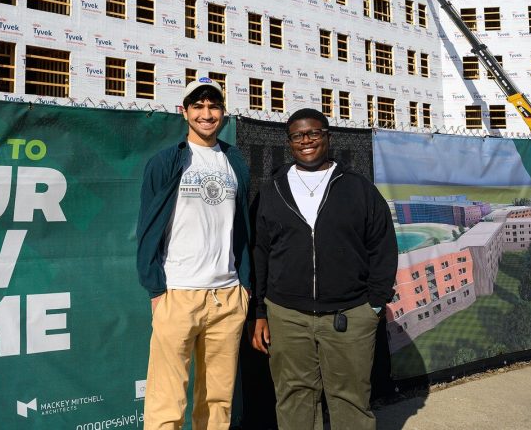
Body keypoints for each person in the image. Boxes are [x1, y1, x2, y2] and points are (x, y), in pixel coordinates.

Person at [251, 108, 397, 430]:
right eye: (298, 135)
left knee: (350, 400)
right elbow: (260, 252)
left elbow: (382, 245)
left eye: (314, 133)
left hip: (349, 313)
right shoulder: (272, 189)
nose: (306, 141)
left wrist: (374, 303)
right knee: (293, 398)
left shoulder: (358, 188)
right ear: (289, 141)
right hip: (286, 315)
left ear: (327, 136)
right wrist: (261, 310)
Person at [136, 77, 251, 430]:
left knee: (217, 400)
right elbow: (147, 229)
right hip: (178, 293)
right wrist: (156, 288)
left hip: (227, 296)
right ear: (184, 112)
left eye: (213, 106)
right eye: (198, 106)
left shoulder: (235, 161)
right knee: (166, 400)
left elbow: (243, 228)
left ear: (223, 112)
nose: (206, 113)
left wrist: (244, 286)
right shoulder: (166, 162)